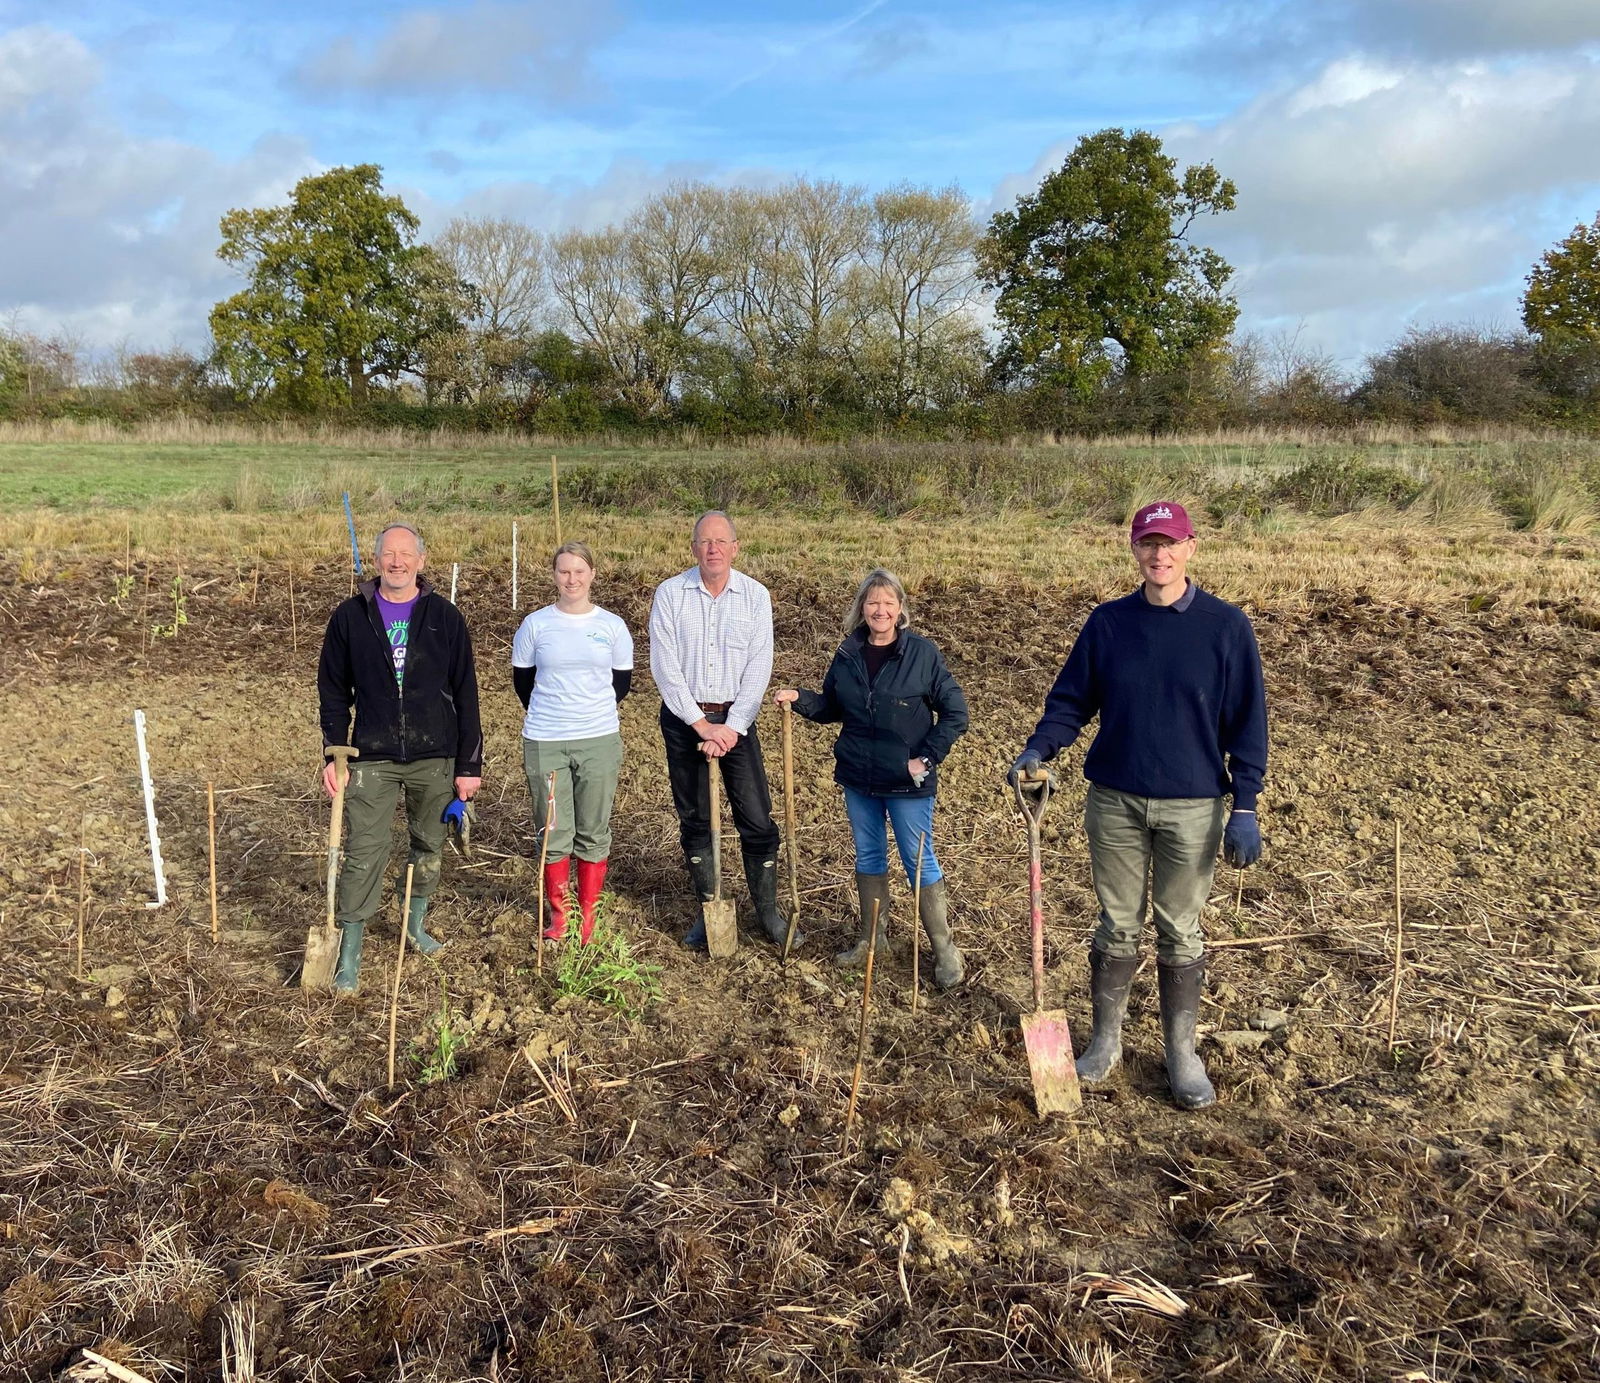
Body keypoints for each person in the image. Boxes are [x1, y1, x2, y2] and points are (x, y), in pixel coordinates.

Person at [1009, 501, 1267, 1110]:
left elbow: (1247, 722)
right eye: (1149, 544)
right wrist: (1039, 746)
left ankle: (1181, 1053)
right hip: (1116, 801)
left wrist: (1247, 803)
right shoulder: (1108, 624)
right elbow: (1072, 701)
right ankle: (1105, 1042)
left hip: (1193, 806)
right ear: (1134, 550)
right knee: (1117, 924)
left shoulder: (1225, 627)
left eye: (1170, 543)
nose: (1160, 555)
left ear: (1191, 547)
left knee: (1180, 929)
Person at [774, 568, 969, 986]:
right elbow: (832, 705)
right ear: (862, 608)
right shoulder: (848, 653)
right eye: (872, 602)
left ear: (900, 609)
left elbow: (956, 713)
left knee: (918, 860)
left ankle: (944, 949)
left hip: (906, 783)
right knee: (868, 857)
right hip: (859, 777)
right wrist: (800, 699)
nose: (880, 610)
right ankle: (872, 939)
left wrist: (925, 758)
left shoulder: (922, 654)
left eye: (888, 603)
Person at [318, 521, 483, 993]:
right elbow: (332, 692)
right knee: (364, 852)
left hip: (435, 756)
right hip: (370, 756)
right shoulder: (350, 617)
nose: (397, 561)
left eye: (405, 554)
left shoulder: (445, 618)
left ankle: (414, 925)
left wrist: (469, 765)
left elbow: (466, 693)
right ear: (376, 561)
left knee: (429, 844)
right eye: (388, 554)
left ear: (421, 561)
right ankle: (350, 953)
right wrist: (334, 751)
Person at [649, 510, 796, 950]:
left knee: (756, 816)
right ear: (693, 548)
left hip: (737, 721)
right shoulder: (671, 594)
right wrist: (698, 723)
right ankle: (708, 905)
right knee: (695, 817)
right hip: (684, 720)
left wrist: (731, 728)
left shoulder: (755, 596)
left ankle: (767, 912)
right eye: (703, 541)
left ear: (735, 548)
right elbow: (664, 665)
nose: (712, 549)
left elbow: (759, 665)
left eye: (720, 541)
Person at [512, 542, 634, 946]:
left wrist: (586, 713)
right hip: (546, 740)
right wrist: (557, 714)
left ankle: (588, 918)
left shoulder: (612, 626)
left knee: (594, 831)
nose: (572, 579)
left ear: (592, 574)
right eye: (564, 572)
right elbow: (523, 682)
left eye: (579, 571)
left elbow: (621, 685)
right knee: (552, 830)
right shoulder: (535, 625)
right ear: (554, 576)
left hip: (598, 739)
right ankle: (560, 917)